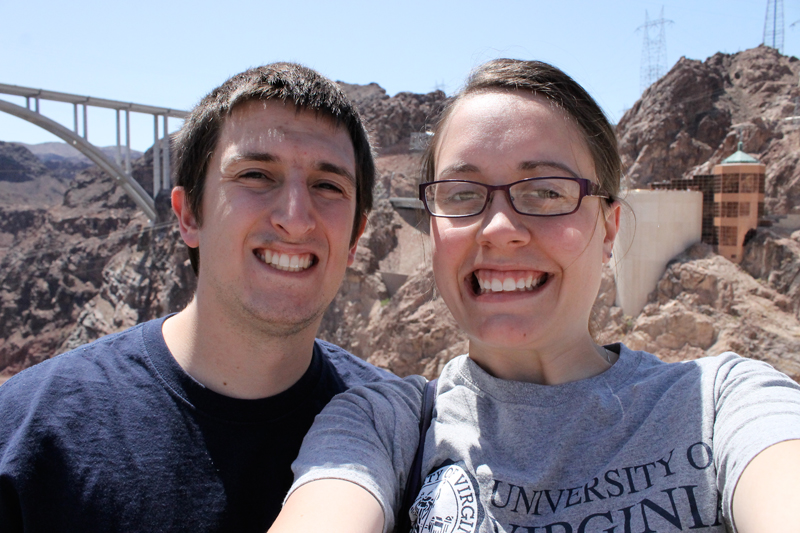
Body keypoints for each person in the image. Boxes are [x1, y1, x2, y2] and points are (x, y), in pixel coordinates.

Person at [269, 59, 800, 533]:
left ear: (610, 227)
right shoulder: (383, 427)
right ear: (432, 230)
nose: (499, 228)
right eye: (461, 195)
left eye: (546, 191)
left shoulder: (726, 403)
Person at [0, 62, 392, 532]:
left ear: (355, 237)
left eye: (328, 185)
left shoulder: (395, 431)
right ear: (188, 216)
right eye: (255, 175)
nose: (296, 218)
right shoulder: (30, 435)